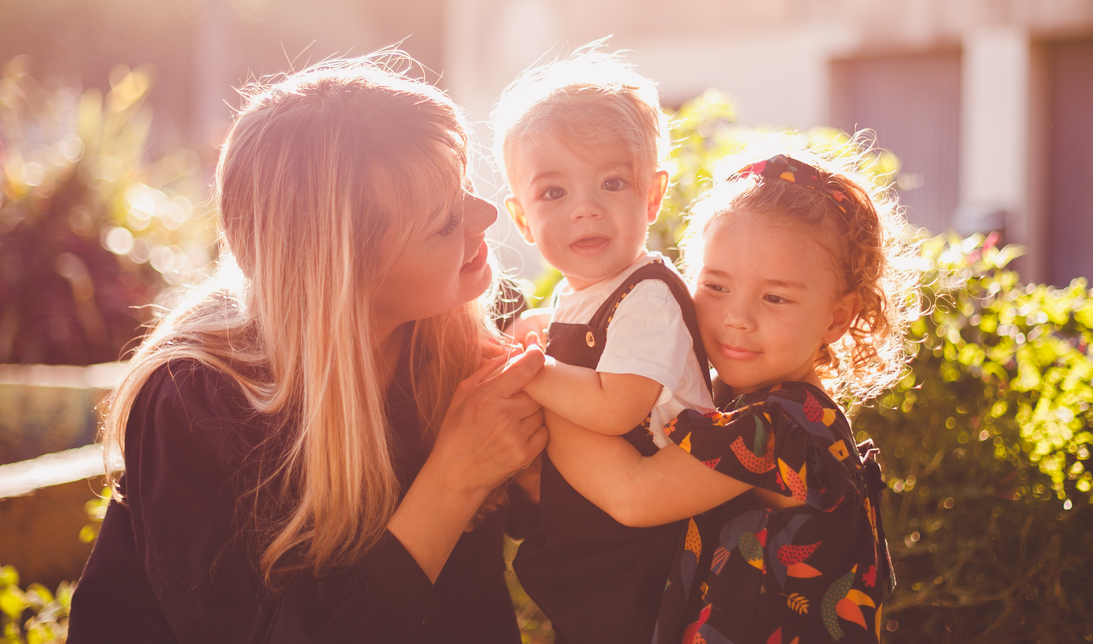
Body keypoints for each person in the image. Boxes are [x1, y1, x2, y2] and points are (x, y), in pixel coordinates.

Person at [67, 58, 548, 644]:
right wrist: (455, 482)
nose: (487, 216)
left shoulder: (474, 322)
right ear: (344, 275)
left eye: (464, 186)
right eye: (445, 222)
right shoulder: (198, 402)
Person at [546, 140, 922, 643]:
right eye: (716, 287)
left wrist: (539, 380)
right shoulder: (739, 402)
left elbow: (632, 493)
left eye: (775, 297)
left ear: (838, 317)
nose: (736, 319)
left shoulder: (782, 429)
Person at [493, 51, 716, 643]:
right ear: (521, 217)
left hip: (651, 558)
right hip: (600, 553)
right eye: (553, 193)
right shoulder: (583, 297)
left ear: (652, 195)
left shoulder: (648, 298)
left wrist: (529, 369)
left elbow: (616, 405)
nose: (584, 208)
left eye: (611, 183)